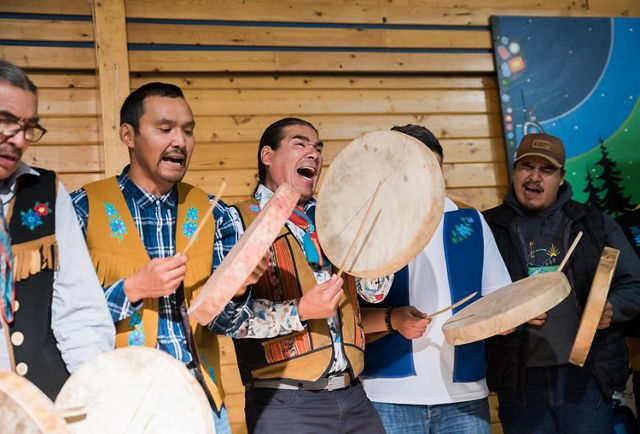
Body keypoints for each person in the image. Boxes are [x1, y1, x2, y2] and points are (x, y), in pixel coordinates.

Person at [70, 84, 305, 433]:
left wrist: (238, 290)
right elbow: (63, 318)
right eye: (165, 129)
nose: (180, 141)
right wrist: (132, 289)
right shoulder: (82, 208)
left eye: (188, 130)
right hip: (116, 405)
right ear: (128, 135)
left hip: (200, 402)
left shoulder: (214, 213)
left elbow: (224, 325)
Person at [231, 117, 392, 433]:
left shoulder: (336, 219)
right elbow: (225, 318)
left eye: (318, 148)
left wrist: (382, 237)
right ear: (267, 155)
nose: (314, 153)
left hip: (353, 395)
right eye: (300, 143)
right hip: (285, 402)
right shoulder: (238, 220)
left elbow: (374, 293)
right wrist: (300, 311)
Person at [359, 124, 512, 434]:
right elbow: (348, 314)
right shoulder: (369, 224)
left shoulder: (468, 222)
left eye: (435, 167)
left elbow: (500, 297)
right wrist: (393, 320)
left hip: (464, 395)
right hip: (388, 393)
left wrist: (505, 318)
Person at [483, 132, 640, 433]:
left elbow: (634, 283)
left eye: (547, 169)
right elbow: (473, 299)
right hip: (520, 382)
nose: (535, 176)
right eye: (527, 166)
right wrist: (505, 314)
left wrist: (613, 308)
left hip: (586, 380)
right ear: (514, 172)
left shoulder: (594, 222)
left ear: (561, 177)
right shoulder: (490, 227)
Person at [0, 60, 114, 400]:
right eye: (6, 122)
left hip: (42, 405)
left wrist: (91, 395)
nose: (19, 140)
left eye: (29, 127)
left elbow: (79, 311)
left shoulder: (44, 193)